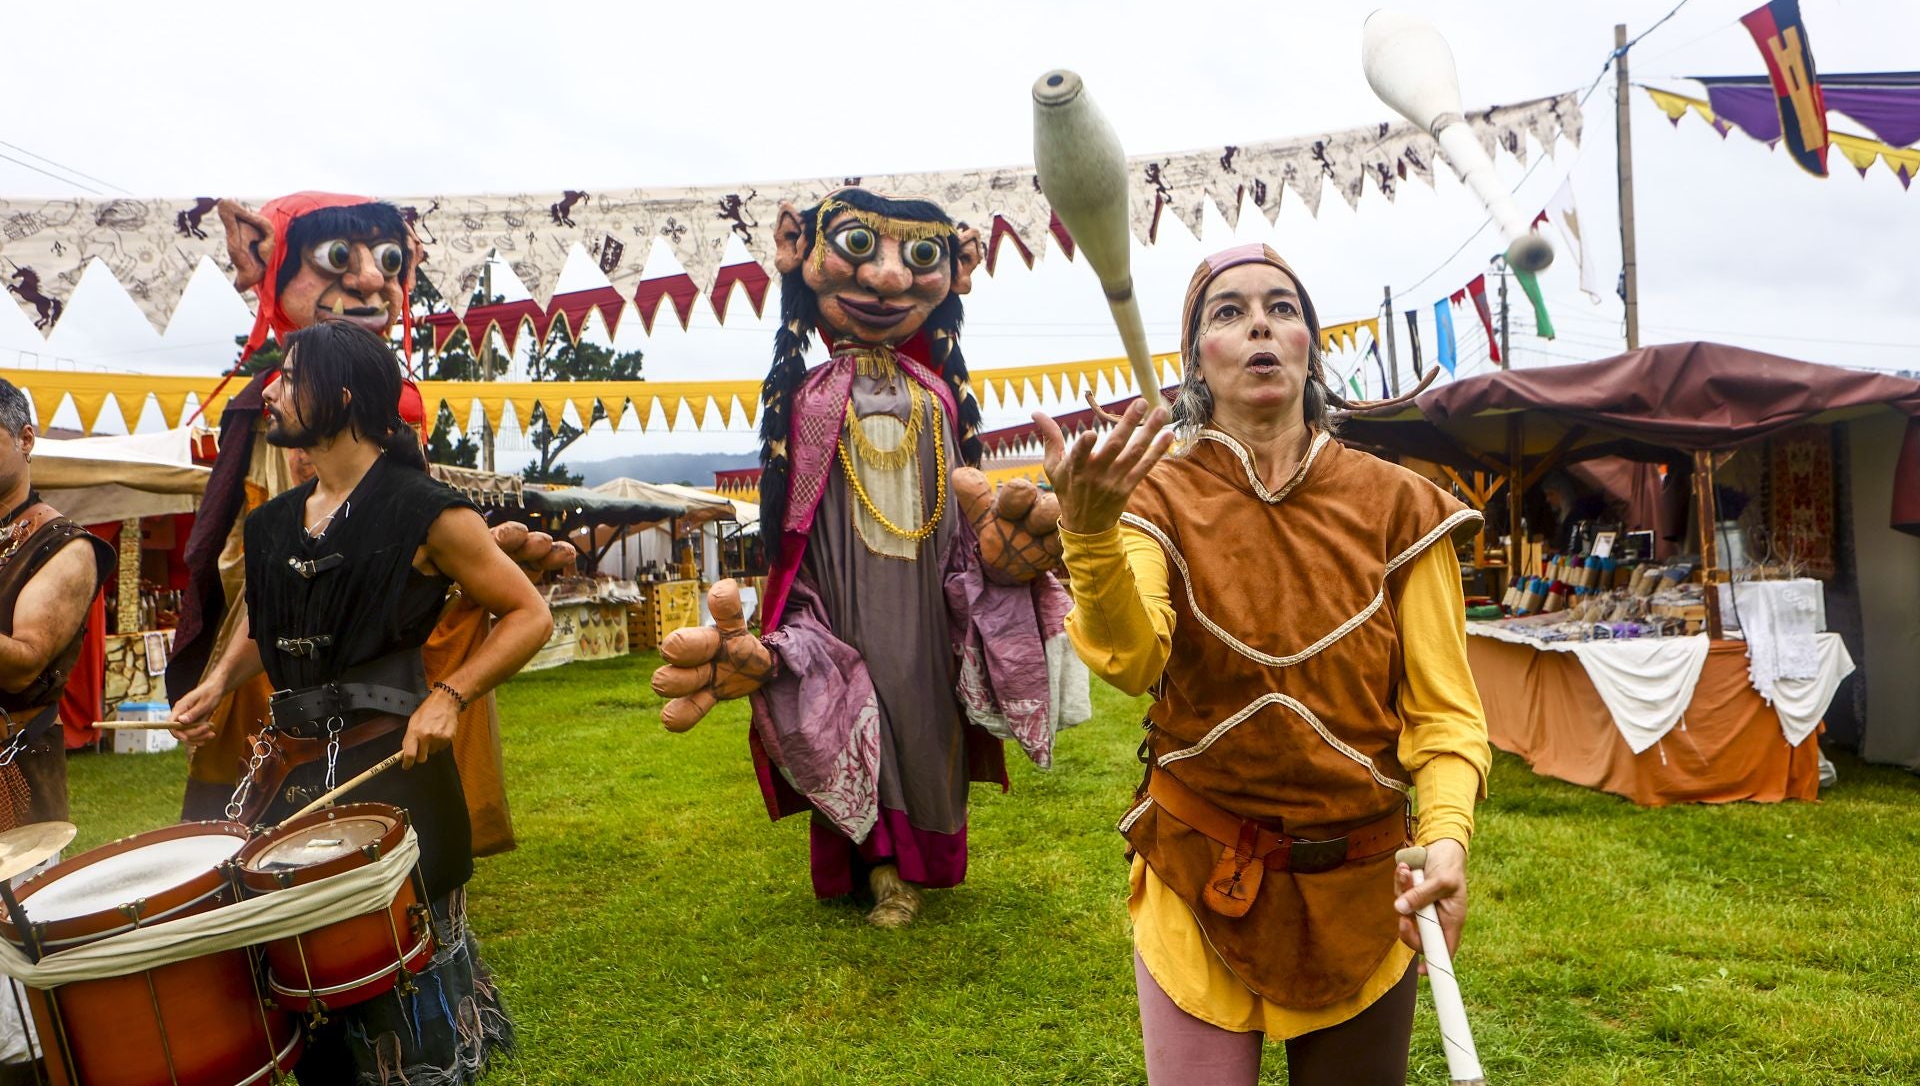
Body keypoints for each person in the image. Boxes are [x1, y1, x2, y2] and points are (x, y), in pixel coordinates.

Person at [1038, 244, 1490, 1086]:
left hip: (1364, 884)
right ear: (1197, 364)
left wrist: (1449, 838)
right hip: (1200, 867)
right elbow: (1133, 660)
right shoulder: (1156, 496)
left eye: (1283, 308)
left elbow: (1446, 713)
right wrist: (1093, 535)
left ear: (1311, 344)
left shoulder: (1398, 505)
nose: (1260, 325)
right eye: (1229, 311)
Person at [650, 188, 1085, 928]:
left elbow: (959, 509)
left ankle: (921, 858)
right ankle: (882, 870)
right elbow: (796, 521)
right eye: (859, 252)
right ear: (805, 261)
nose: (886, 280)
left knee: (925, 722)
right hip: (842, 598)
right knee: (849, 712)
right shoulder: (811, 397)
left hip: (924, 595)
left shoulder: (936, 397)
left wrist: (988, 567)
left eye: (917, 259)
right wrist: (797, 615)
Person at [174, 321, 552, 1085]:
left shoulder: (425, 508)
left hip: (396, 778)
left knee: (405, 984)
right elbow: (264, 620)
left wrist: (450, 694)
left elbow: (528, 614)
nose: (269, 392)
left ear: (341, 398)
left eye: (288, 378)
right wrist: (217, 683)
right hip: (292, 781)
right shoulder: (273, 521)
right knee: (308, 982)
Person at [0, 378, 115, 828]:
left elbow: (24, 663)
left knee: (16, 898)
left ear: (25, 438)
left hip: (13, 768)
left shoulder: (66, 547)